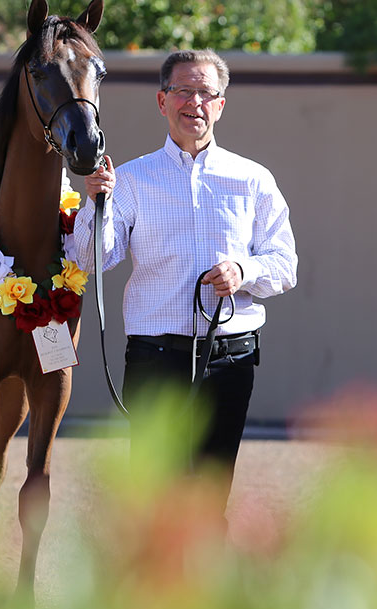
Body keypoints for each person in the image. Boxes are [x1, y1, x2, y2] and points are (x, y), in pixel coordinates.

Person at [74, 48, 297, 497]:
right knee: (154, 498)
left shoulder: (253, 179)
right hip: (154, 358)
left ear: (220, 105)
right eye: (182, 91)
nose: (194, 102)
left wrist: (243, 270)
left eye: (205, 93)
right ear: (162, 101)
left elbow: (284, 264)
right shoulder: (130, 180)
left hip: (230, 358)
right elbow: (90, 258)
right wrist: (96, 203)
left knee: (211, 495)